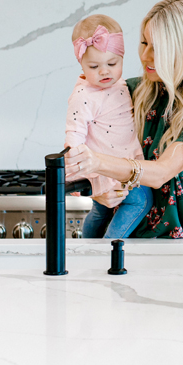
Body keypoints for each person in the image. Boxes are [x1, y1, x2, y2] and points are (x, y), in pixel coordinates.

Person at [65, 0, 183, 238]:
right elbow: (78, 143)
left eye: (158, 49)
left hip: (179, 253)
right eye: (144, 43)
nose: (145, 56)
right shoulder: (127, 92)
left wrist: (98, 163)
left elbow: (160, 173)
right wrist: (96, 190)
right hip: (122, 245)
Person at [65, 14, 152, 239]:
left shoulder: (120, 85)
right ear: (81, 63)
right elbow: (73, 136)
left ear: (122, 58)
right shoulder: (83, 95)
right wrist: (73, 176)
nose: (105, 71)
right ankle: (109, 247)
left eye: (112, 64)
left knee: (100, 212)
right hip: (110, 169)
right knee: (141, 201)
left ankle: (89, 246)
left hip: (123, 164)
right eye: (94, 66)